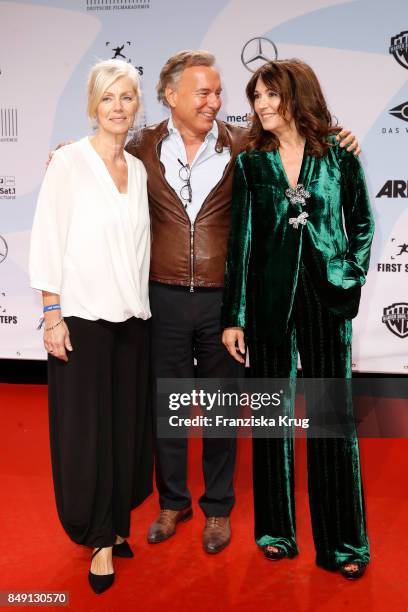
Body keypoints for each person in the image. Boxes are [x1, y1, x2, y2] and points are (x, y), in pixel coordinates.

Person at [126, 50, 360, 554]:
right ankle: (172, 501)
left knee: (220, 408)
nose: (218, 102)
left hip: (222, 297)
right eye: (204, 93)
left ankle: (217, 508)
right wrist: (66, 152)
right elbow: (101, 157)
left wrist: (343, 138)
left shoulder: (242, 145)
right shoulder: (141, 146)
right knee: (169, 403)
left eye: (220, 93)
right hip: (163, 292)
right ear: (170, 96)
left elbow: (317, 167)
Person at [222, 59, 374, 579]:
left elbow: (362, 223)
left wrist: (346, 274)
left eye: (270, 95)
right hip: (267, 304)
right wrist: (234, 316)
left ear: (296, 95)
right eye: (256, 97)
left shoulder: (338, 156)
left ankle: (344, 546)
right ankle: (276, 532)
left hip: (325, 299)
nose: (262, 106)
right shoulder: (249, 164)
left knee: (332, 419)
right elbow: (238, 246)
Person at [29, 59, 152, 594]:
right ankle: (98, 537)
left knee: (125, 426)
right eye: (108, 98)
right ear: (92, 105)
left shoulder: (139, 168)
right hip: (80, 315)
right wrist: (51, 313)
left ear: (137, 104)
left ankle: (117, 521)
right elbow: (48, 238)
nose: (118, 107)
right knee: (87, 431)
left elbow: (140, 248)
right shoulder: (69, 162)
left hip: (131, 317)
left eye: (127, 97)